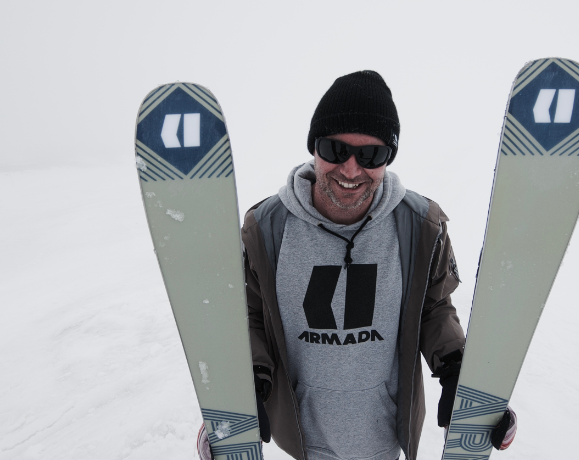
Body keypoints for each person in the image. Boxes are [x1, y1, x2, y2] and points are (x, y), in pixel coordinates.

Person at [199, 70, 516, 460]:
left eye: (371, 155)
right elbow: (249, 315)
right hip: (303, 440)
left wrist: (460, 376)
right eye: (335, 149)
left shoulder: (420, 226)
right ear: (314, 148)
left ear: (388, 158)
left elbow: (433, 308)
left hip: (383, 438)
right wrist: (242, 393)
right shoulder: (265, 229)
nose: (350, 170)